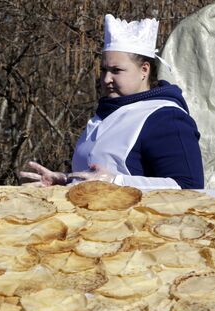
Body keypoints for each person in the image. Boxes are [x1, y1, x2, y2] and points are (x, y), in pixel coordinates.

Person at [20, 14, 204, 190]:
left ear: (144, 70)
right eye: (103, 70)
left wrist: (117, 182)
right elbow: (97, 178)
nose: (106, 79)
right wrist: (66, 181)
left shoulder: (166, 118)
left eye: (116, 70)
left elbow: (189, 187)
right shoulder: (106, 114)